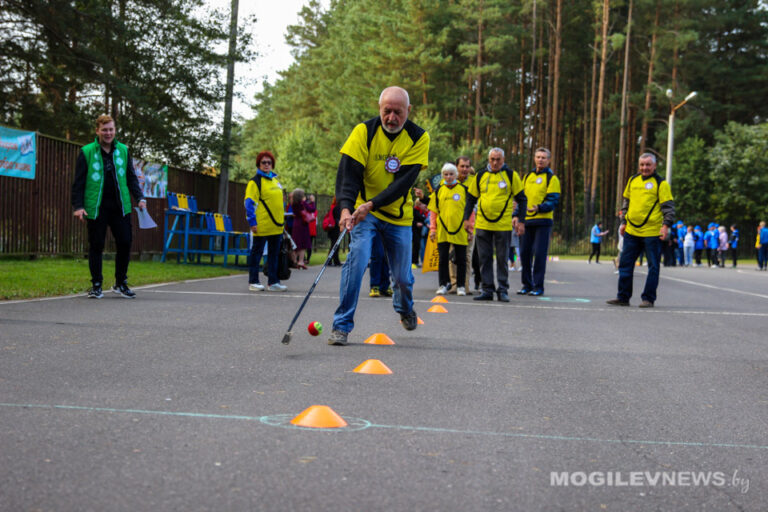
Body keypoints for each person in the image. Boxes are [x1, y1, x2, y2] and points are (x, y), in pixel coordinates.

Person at [328, 86, 429, 346]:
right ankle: (341, 325)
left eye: (398, 112)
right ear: (379, 109)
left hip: (397, 215)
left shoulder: (418, 137)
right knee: (357, 261)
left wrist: (371, 204)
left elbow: (403, 184)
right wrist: (346, 208)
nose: (392, 118)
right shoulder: (364, 132)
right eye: (387, 111)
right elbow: (348, 175)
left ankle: (405, 308)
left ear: (409, 111)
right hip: (364, 213)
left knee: (403, 279)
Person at [71, 114, 146, 299]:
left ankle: (121, 283)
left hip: (120, 206)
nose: (108, 133)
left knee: (125, 242)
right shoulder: (87, 152)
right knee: (96, 244)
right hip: (96, 206)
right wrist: (78, 206)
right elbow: (78, 183)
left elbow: (131, 177)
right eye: (104, 130)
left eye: (111, 129)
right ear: (97, 131)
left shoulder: (123, 150)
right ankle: (96, 285)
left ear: (115, 130)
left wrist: (140, 198)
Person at [607, 153, 675, 308]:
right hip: (631, 231)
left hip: (652, 232)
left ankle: (648, 298)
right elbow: (627, 203)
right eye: (642, 165)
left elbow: (669, 208)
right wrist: (624, 222)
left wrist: (665, 226)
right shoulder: (633, 180)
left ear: (655, 166)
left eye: (648, 165)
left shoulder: (661, 184)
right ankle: (623, 297)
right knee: (625, 264)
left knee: (653, 266)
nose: (645, 168)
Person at [463, 148, 527, 302]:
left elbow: (522, 199)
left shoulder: (511, 176)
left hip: (503, 225)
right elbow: (471, 198)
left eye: (498, 159)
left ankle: (503, 290)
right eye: (492, 159)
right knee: (484, 259)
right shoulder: (480, 175)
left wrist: (521, 220)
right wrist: (466, 219)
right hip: (482, 224)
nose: (495, 162)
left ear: (503, 160)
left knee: (502, 258)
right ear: (488, 159)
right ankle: (487, 290)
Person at [518, 147, 561, 296]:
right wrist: (516, 215)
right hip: (526, 222)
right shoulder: (527, 176)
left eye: (543, 157)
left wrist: (540, 208)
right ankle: (526, 285)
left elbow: (553, 200)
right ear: (534, 159)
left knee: (540, 255)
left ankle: (538, 287)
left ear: (549, 160)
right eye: (538, 157)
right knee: (524, 253)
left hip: (542, 221)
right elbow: (521, 199)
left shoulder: (552, 178)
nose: (540, 160)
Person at [244, 151, 287, 292]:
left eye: (269, 162)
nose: (267, 165)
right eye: (264, 162)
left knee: (274, 255)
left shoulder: (275, 181)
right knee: (257, 254)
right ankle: (253, 281)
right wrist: (252, 222)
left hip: (277, 226)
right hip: (262, 225)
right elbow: (249, 203)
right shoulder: (254, 182)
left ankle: (273, 282)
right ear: (258, 164)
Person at [428, 163, 469, 296]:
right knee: (443, 259)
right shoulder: (438, 190)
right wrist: (433, 229)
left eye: (451, 174)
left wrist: (470, 228)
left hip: (460, 230)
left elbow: (470, 211)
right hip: (443, 230)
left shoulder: (464, 189)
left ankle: (461, 286)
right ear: (442, 176)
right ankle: (443, 284)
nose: (449, 177)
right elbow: (433, 212)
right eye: (446, 174)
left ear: (456, 175)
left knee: (461, 259)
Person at [449, 156, 476, 293]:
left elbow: (475, 206)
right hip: (451, 225)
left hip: (469, 224)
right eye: (462, 166)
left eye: (467, 166)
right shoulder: (448, 182)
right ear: (456, 166)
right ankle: (454, 284)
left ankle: (465, 285)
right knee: (452, 256)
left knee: (466, 256)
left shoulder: (474, 182)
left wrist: (470, 227)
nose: (464, 169)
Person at [290, 188, 315, 269]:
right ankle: (300, 261)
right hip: (303, 224)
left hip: (296, 223)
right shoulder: (303, 203)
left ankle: (294, 261)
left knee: (296, 243)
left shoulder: (293, 204)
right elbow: (312, 209)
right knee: (303, 243)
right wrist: (312, 201)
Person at [325, 196, 342, 266]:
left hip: (332, 229)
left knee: (334, 245)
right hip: (335, 229)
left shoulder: (333, 207)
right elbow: (337, 218)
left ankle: (333, 261)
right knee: (335, 246)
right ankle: (333, 261)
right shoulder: (337, 208)